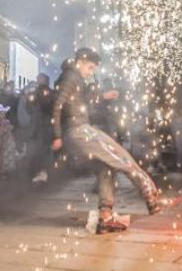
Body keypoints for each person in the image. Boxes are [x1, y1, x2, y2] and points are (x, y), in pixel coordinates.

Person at [51, 48, 159, 234]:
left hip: (78, 131)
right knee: (119, 157)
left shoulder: (74, 78)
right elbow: (58, 106)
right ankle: (149, 191)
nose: (90, 72)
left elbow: (81, 100)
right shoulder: (71, 76)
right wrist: (57, 135)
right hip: (79, 131)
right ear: (80, 62)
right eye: (90, 68)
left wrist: (103, 96)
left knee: (105, 169)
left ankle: (105, 217)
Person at [28, 73, 56, 184]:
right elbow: (30, 108)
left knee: (43, 149)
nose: (37, 80)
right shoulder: (36, 92)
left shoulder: (47, 93)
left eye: (39, 78)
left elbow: (48, 107)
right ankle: (39, 171)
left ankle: (43, 171)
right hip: (38, 125)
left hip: (44, 125)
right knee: (38, 149)